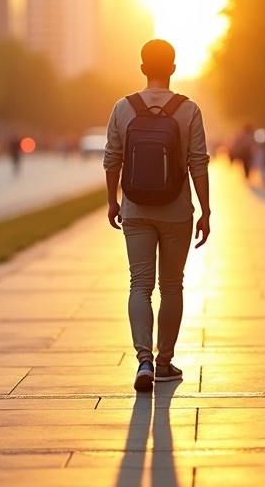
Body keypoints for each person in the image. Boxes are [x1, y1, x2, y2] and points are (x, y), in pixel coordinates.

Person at [104, 39, 211, 393]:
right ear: (174, 68)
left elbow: (112, 160)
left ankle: (143, 360)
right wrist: (205, 210)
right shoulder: (188, 109)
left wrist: (112, 201)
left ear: (142, 67)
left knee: (140, 285)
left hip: (135, 209)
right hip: (176, 211)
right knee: (172, 286)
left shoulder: (123, 107)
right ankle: (164, 362)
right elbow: (199, 162)